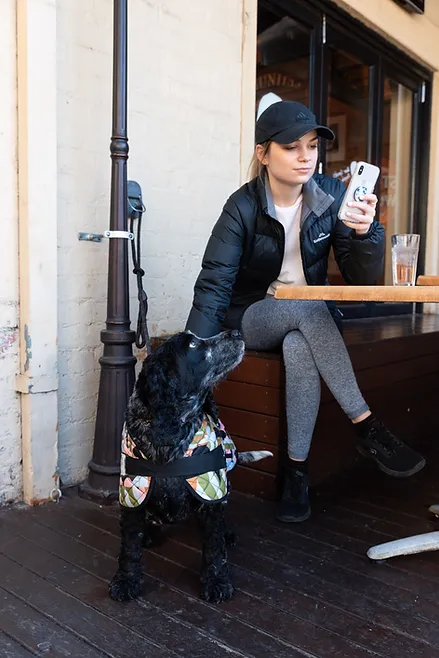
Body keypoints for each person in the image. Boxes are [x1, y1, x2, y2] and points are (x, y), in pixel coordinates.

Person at [185, 98, 425, 523]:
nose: (305, 157)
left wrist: (366, 232)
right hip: (254, 317)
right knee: (307, 305)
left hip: (308, 320)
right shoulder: (241, 207)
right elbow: (214, 283)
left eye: (312, 146)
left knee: (300, 341)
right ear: (263, 153)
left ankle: (295, 473)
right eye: (292, 146)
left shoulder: (332, 196)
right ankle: (367, 427)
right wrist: (192, 357)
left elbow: (361, 279)